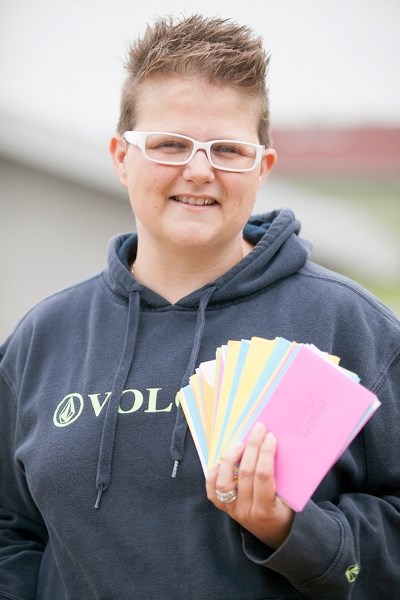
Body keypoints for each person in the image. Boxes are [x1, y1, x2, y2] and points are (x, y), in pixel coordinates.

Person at [0, 13, 399, 600]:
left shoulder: (354, 326)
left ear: (261, 167)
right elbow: (13, 533)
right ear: (120, 156)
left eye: (228, 150)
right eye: (169, 144)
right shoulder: (41, 339)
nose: (198, 170)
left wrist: (297, 531)